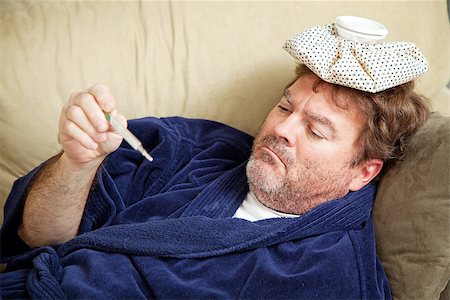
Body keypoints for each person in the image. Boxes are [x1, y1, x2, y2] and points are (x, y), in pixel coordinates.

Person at [1, 20, 430, 299]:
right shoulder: (186, 147)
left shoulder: (335, 276)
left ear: (364, 171)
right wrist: (78, 164)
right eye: (284, 108)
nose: (282, 129)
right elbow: (38, 237)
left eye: (316, 130)